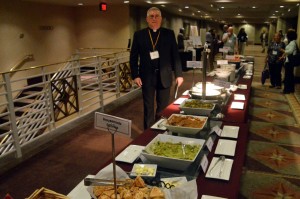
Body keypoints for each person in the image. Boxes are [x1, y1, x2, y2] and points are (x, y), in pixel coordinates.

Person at [130, 7, 184, 129]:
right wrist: (135, 75)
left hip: (164, 76)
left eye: (157, 16)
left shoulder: (169, 34)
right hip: (146, 77)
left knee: (163, 107)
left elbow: (175, 55)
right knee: (148, 106)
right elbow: (133, 57)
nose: (154, 18)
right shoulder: (139, 35)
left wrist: (179, 74)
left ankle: (160, 129)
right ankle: (148, 132)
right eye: (151, 16)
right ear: (147, 19)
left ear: (161, 18)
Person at [280, 29, 298, 94]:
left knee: (288, 76)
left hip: (290, 62)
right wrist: (282, 56)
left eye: (287, 35)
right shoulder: (291, 42)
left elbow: (290, 52)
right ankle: (290, 89)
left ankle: (287, 90)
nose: (286, 36)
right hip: (288, 61)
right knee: (290, 76)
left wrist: (283, 50)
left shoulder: (293, 42)